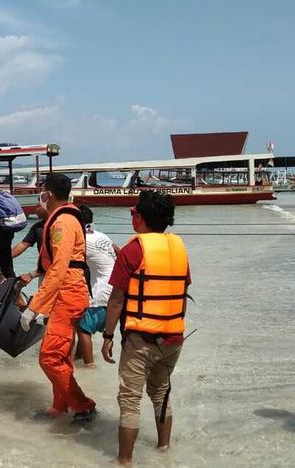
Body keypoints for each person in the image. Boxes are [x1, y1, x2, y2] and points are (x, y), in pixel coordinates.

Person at [101, 190, 191, 465]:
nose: (132, 215)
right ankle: (165, 450)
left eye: (134, 212)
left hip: (142, 338)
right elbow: (182, 293)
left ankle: (124, 461)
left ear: (140, 217)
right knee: (161, 391)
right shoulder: (179, 247)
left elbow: (116, 299)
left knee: (129, 399)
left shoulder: (133, 250)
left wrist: (107, 336)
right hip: (174, 337)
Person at [19, 173, 96, 421]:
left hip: (67, 293)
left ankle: (83, 405)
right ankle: (60, 406)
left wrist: (34, 307)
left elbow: (60, 266)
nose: (40, 195)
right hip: (67, 292)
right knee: (61, 355)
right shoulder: (65, 218)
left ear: (48, 194)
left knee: (49, 357)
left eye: (41, 190)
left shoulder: (62, 222)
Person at [75, 204, 120, 367]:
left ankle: (89, 367)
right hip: (115, 288)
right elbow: (119, 252)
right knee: (84, 324)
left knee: (82, 329)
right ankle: (78, 359)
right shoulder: (102, 236)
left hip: (102, 292)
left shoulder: (82, 240)